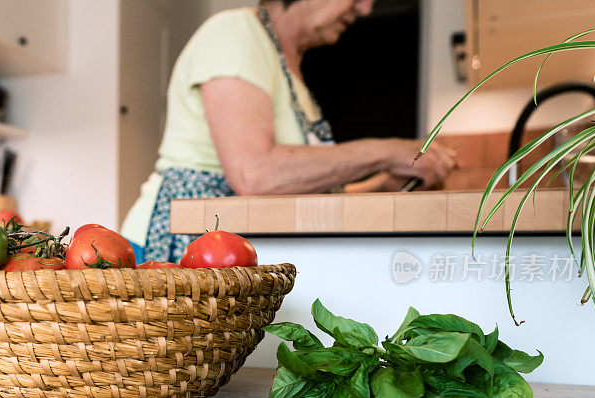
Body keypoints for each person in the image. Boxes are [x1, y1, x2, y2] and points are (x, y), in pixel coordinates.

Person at [121, 0, 456, 263]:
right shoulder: (235, 34)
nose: (365, 8)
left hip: (227, 246)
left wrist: (382, 185)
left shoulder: (289, 68)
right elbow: (255, 174)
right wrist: (388, 151)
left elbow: (293, 192)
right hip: (182, 242)